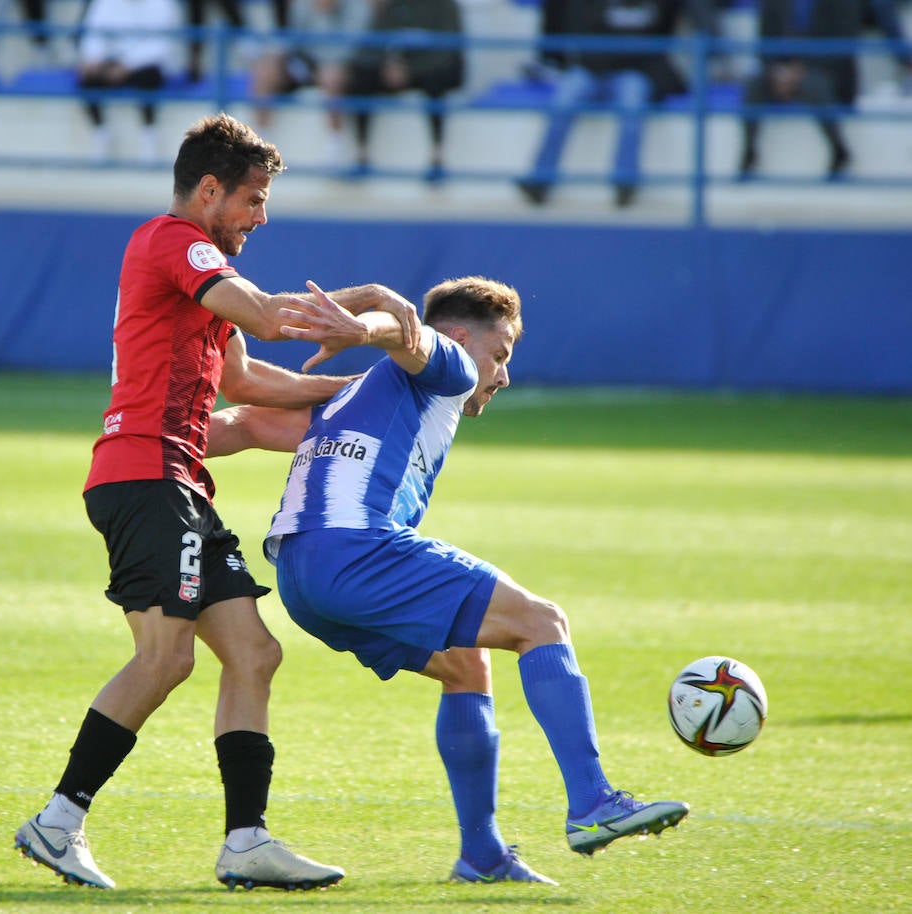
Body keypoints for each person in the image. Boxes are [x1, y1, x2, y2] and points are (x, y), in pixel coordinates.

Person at [13, 112, 422, 892]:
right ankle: (59, 820)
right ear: (209, 191)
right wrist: (368, 300)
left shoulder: (193, 274)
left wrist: (370, 393)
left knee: (253, 653)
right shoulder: (176, 241)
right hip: (145, 479)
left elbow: (245, 381)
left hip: (174, 482)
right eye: (253, 200)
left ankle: (246, 842)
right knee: (164, 658)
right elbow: (270, 319)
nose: (261, 218)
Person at [259, 276, 690, 882]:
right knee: (543, 622)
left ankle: (481, 855)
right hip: (354, 551)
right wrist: (364, 328)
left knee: (465, 663)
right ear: (462, 337)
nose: (502, 375)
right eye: (502, 354)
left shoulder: (368, 395)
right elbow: (409, 335)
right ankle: (594, 802)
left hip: (300, 578)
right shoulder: (451, 365)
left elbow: (247, 422)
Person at [517, 0, 716, 207]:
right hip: (591, 69)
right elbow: (577, 31)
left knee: (632, 105)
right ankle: (540, 180)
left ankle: (625, 181)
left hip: (634, 72)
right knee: (562, 102)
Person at [739, 0, 912, 180]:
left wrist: (799, 71)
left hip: (828, 72)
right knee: (753, 84)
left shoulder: (843, 4)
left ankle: (840, 151)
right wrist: (778, 71)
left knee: (814, 84)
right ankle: (748, 155)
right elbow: (764, 44)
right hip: (783, 70)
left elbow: (843, 44)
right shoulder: (774, 3)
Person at [345, 0, 465, 182]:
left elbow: (447, 51)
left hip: (432, 69)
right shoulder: (394, 6)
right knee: (361, 80)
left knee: (435, 83)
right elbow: (375, 42)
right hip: (400, 70)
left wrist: (410, 69)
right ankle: (361, 154)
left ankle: (437, 156)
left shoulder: (446, 6)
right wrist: (390, 64)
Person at [249, 0, 369, 167]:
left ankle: (334, 148)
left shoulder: (357, 6)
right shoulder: (302, 4)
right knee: (265, 70)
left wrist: (328, 15)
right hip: (305, 62)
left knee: (331, 75)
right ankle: (258, 148)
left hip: (340, 64)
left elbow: (354, 46)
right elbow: (293, 38)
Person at [77, 0, 182, 163]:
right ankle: (100, 134)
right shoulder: (103, 3)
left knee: (149, 77)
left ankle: (149, 135)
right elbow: (93, 36)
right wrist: (94, 59)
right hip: (112, 62)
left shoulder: (163, 4)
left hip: (147, 64)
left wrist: (127, 66)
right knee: (87, 78)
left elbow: (161, 47)